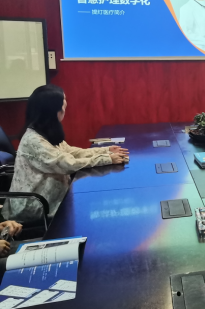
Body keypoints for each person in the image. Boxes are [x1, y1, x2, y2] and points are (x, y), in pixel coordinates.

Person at [2, 85, 129, 222]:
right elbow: (67, 164)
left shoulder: (45, 131)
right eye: (63, 102)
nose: (65, 106)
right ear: (52, 110)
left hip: (53, 197)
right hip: (34, 205)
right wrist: (106, 159)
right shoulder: (33, 140)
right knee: (92, 209)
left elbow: (70, 152)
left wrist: (105, 150)